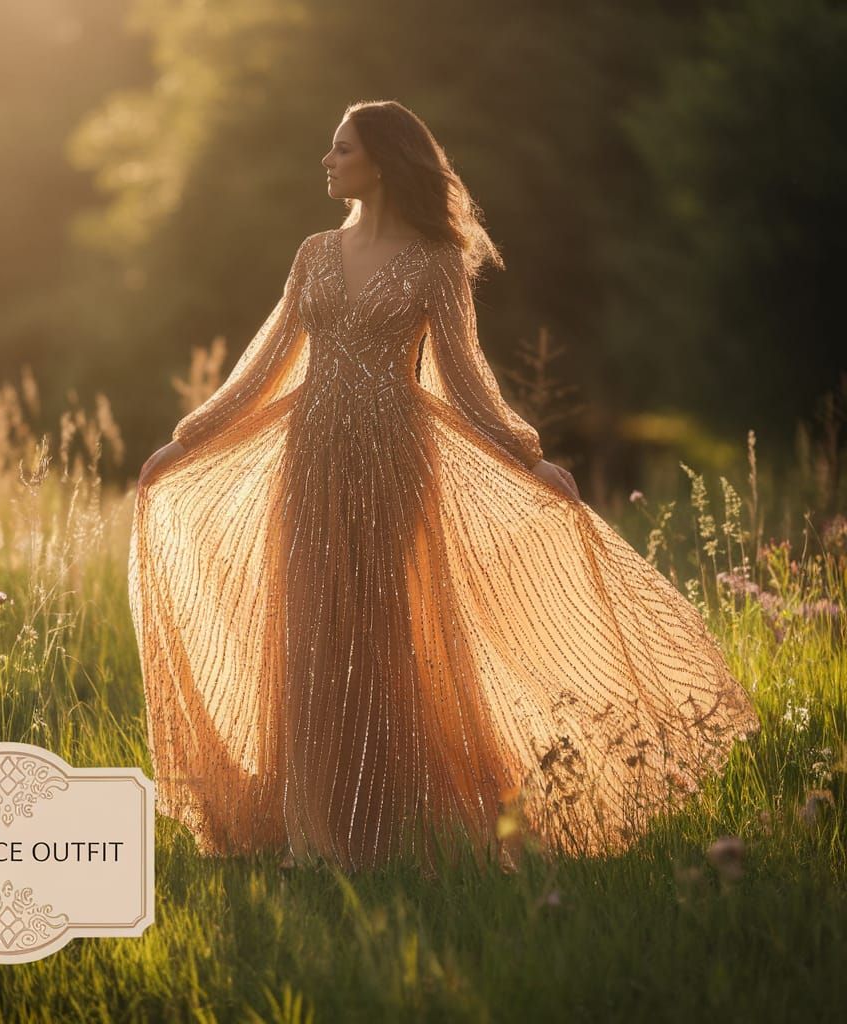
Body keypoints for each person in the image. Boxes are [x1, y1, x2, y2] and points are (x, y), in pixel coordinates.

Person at [128, 100, 758, 878]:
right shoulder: (314, 253)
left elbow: (465, 380)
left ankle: (395, 825)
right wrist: (186, 440)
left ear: (383, 162)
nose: (326, 161)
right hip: (313, 460)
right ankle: (314, 829)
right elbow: (263, 367)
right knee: (313, 633)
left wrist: (527, 457)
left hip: (398, 463)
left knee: (391, 634)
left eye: (341, 148)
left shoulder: (435, 261)